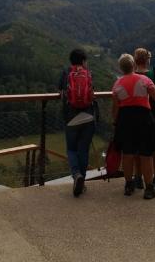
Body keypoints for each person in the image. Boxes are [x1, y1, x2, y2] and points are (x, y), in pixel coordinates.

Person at [112, 54, 155, 199]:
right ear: (134, 65)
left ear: (121, 68)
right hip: (144, 119)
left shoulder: (117, 85)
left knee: (128, 154)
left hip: (125, 120)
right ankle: (149, 188)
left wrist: (116, 123)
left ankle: (129, 185)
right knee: (146, 154)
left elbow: (115, 108)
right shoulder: (144, 80)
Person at [59, 48, 96, 197]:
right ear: (83, 61)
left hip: (71, 117)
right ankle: (82, 181)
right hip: (88, 115)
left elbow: (60, 91)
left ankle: (76, 175)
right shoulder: (88, 73)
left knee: (71, 149)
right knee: (83, 150)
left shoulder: (66, 72)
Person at [132, 48, 155, 189]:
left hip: (136, 115)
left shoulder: (132, 74)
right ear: (147, 60)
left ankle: (138, 177)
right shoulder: (154, 74)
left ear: (135, 60)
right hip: (154, 115)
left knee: (136, 147)